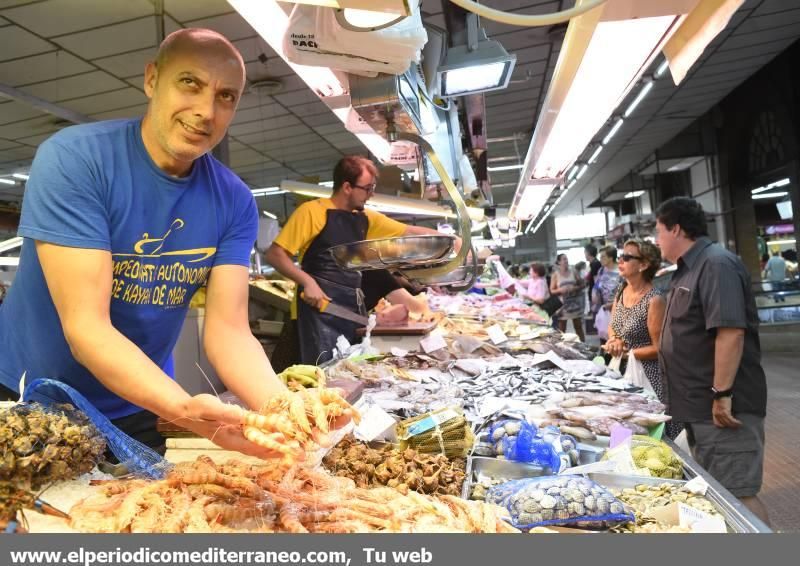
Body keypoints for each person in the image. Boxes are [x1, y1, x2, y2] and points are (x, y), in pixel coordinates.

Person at [0, 29, 288, 457]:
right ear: (152, 79)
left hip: (139, 400)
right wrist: (185, 409)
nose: (206, 111)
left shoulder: (234, 200)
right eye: (189, 83)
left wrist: (284, 411)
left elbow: (230, 331)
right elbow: (87, 328)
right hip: (34, 398)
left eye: (226, 96)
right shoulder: (76, 161)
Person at [264, 156, 443, 365]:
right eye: (367, 188)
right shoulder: (311, 212)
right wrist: (307, 282)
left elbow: (407, 231)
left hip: (351, 313)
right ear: (347, 187)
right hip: (316, 314)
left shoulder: (366, 218)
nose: (371, 194)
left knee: (352, 372)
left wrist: (452, 241)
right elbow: (275, 255)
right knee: (323, 376)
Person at [655, 197, 769, 524]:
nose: (657, 240)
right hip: (700, 409)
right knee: (722, 495)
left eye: (660, 232)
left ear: (676, 228)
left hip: (722, 411)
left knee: (738, 496)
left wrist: (722, 394)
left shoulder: (716, 265)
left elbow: (730, 333)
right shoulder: (687, 270)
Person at [603, 240, 679, 438]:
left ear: (643, 265)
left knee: (648, 433)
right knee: (623, 430)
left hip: (647, 378)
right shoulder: (622, 290)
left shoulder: (654, 299)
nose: (620, 260)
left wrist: (627, 352)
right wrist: (614, 340)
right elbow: (613, 324)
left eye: (627, 257)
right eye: (620, 256)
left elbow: (659, 348)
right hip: (621, 372)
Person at [550, 254, 585, 341]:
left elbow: (583, 284)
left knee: (578, 327)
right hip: (563, 306)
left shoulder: (574, 272)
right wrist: (560, 290)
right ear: (559, 262)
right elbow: (551, 290)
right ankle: (562, 348)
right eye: (564, 259)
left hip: (575, 304)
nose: (566, 261)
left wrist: (575, 288)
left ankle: (583, 346)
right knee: (562, 329)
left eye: (567, 259)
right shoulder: (555, 275)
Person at [591, 246, 621, 338]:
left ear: (611, 258)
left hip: (617, 311)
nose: (600, 259)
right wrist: (594, 293)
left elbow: (625, 292)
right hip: (604, 310)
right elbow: (597, 284)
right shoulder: (601, 270)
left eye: (603, 257)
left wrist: (613, 304)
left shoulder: (621, 271)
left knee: (616, 339)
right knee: (604, 338)